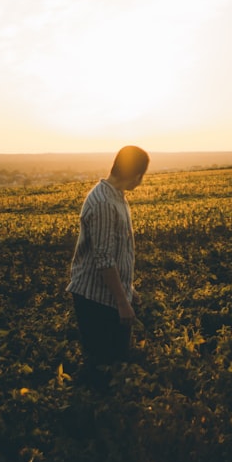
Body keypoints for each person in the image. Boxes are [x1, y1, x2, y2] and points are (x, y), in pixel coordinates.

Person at [67, 145, 150, 387]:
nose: (141, 182)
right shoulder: (104, 202)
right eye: (141, 175)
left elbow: (116, 251)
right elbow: (104, 259)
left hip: (109, 295)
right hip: (97, 300)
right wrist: (122, 303)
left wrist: (128, 289)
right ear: (134, 174)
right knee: (104, 369)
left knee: (115, 365)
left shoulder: (117, 196)